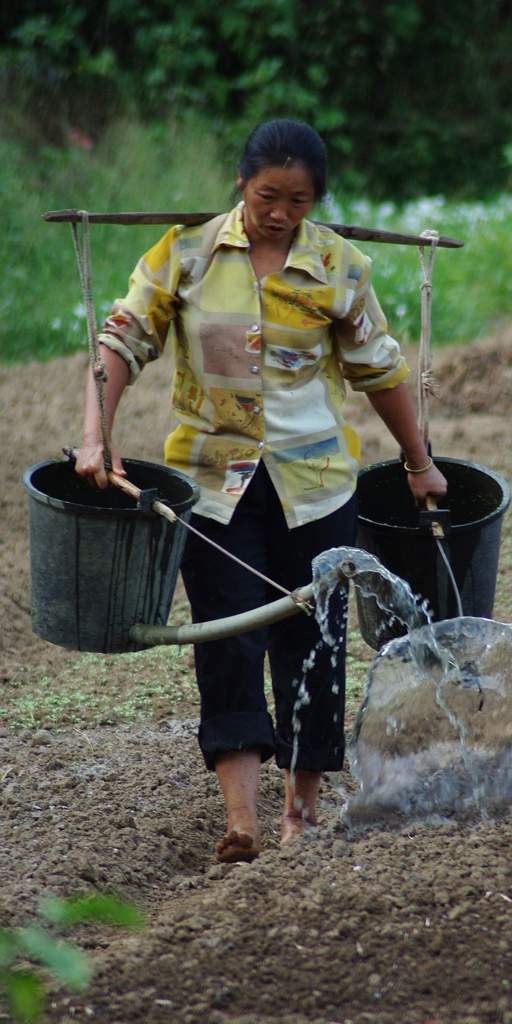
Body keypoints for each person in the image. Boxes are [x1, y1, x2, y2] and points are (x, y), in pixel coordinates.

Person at [76, 118, 447, 862]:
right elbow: (120, 341)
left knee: (313, 640)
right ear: (242, 183)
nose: (280, 212)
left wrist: (419, 460)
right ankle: (241, 822)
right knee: (229, 640)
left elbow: (380, 371)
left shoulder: (338, 267)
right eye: (268, 194)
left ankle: (300, 813)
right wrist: (96, 434)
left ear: (316, 201)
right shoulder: (185, 254)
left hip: (316, 486)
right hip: (213, 486)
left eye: (298, 200)